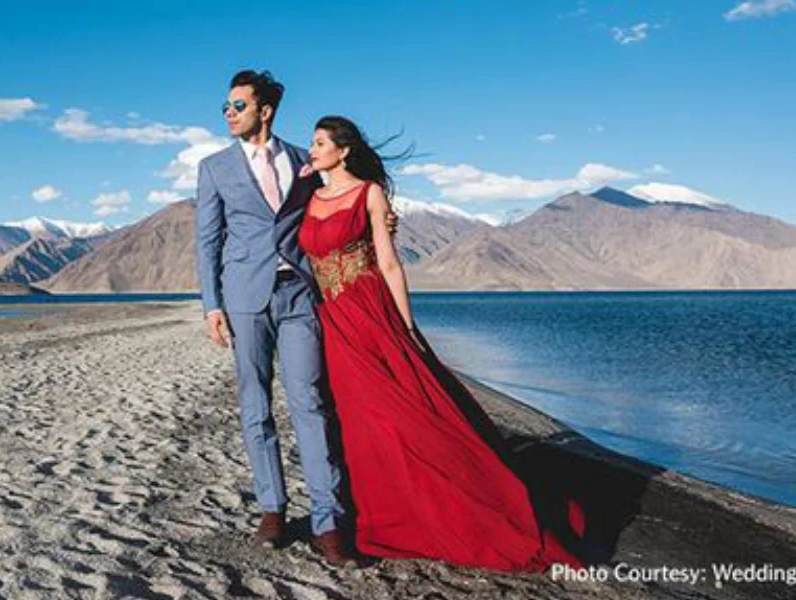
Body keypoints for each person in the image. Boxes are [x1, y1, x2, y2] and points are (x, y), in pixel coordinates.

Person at [295, 115, 586, 572]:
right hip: (330, 320)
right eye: (311, 143)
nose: (310, 149)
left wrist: (406, 326)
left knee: (395, 413)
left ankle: (445, 504)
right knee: (354, 419)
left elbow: (389, 264)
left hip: (369, 314)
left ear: (343, 149)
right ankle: (373, 510)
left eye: (318, 142)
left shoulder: (370, 194)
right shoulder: (308, 197)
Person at [193, 70, 394, 566]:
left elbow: (341, 201)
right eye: (225, 107)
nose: (228, 114)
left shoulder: (306, 162)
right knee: (255, 402)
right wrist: (212, 305)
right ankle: (273, 508)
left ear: (265, 111)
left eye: (237, 106)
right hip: (244, 298)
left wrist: (383, 220)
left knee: (309, 401)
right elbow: (207, 242)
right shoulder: (214, 167)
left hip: (300, 296)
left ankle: (328, 520)